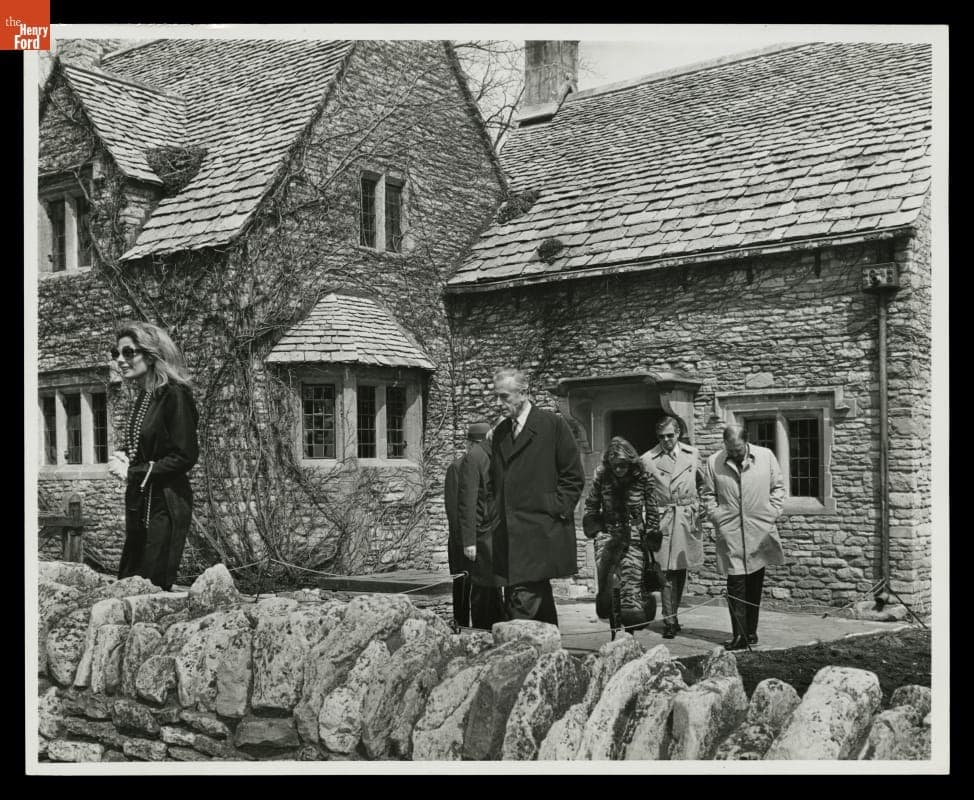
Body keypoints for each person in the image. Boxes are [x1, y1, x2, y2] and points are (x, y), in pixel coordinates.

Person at [490, 368, 586, 626]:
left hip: (542, 531)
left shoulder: (551, 425)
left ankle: (516, 659)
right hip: (510, 536)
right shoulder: (499, 434)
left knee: (520, 607)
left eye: (504, 397)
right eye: (496, 397)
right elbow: (495, 483)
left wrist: (553, 508)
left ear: (523, 393)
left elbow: (574, 476)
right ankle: (553, 657)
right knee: (537, 603)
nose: (499, 404)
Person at [107, 322, 199, 591]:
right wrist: (123, 455)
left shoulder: (175, 395)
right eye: (116, 353)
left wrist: (134, 472)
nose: (120, 360)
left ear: (150, 353)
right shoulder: (147, 396)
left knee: (150, 587)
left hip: (165, 503)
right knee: (129, 582)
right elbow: (143, 443)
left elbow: (185, 455)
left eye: (128, 352)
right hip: (141, 500)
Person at [699, 423, 786, 651]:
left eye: (738, 450)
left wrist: (772, 512)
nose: (734, 455)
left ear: (746, 443)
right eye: (730, 450)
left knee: (755, 582)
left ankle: (751, 631)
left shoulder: (766, 456)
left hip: (759, 530)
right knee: (736, 583)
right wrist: (717, 517)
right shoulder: (713, 462)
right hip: (731, 533)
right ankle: (739, 635)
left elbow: (778, 488)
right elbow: (707, 495)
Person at [582, 436, 661, 635]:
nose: (618, 470)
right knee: (609, 585)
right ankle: (614, 631)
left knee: (631, 586)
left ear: (630, 462)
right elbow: (591, 504)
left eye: (622, 466)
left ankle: (630, 634)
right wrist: (596, 528)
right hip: (607, 536)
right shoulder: (602, 476)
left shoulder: (643, 478)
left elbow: (652, 510)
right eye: (615, 466)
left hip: (634, 537)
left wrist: (651, 533)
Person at [641, 416, 704, 639]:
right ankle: (669, 620)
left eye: (670, 435)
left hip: (687, 518)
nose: (666, 440)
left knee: (680, 569)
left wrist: (700, 508)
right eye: (661, 437)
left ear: (678, 434)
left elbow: (703, 484)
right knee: (665, 571)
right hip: (664, 518)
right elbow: (643, 494)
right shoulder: (647, 459)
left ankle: (673, 615)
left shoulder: (692, 454)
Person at [456, 421, 507, 629]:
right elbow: (467, 502)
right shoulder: (474, 457)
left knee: (495, 588)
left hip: (497, 533)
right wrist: (469, 541)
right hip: (482, 535)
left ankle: (496, 627)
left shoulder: (498, 456)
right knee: (483, 590)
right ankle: (481, 631)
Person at [445, 448, 470, 629]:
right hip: (461, 539)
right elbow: (453, 509)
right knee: (462, 584)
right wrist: (462, 540)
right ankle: (461, 623)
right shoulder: (457, 468)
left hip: (482, 539)